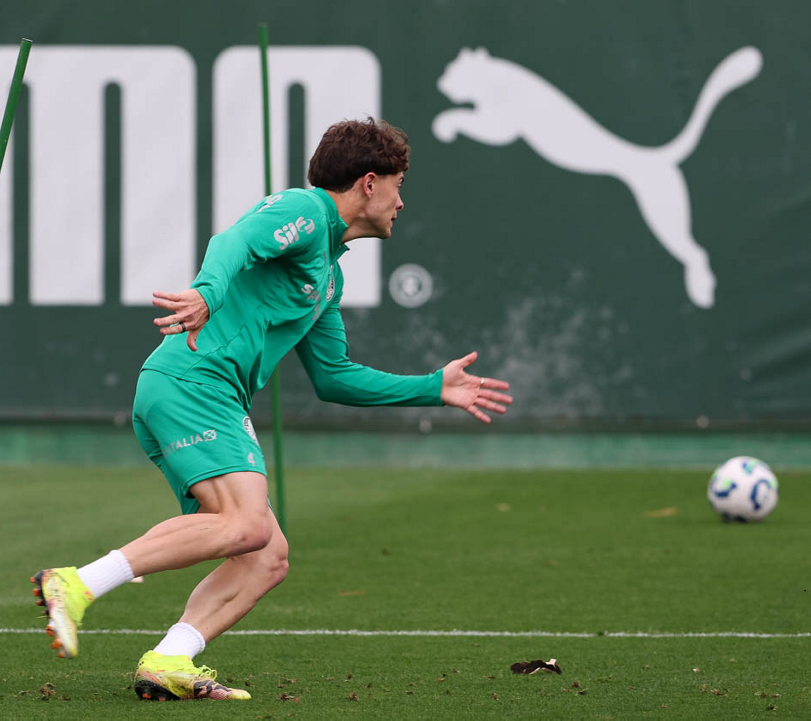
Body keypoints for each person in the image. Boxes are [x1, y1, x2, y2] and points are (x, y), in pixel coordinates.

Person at [31, 117, 513, 702]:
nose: (401, 201)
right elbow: (231, 243)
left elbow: (334, 377)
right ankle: (76, 584)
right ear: (369, 183)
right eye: (398, 184)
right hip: (194, 382)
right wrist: (207, 293)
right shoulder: (305, 210)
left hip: (199, 392)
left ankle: (169, 659)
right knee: (248, 524)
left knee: (266, 556)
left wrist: (431, 388)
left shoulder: (329, 276)